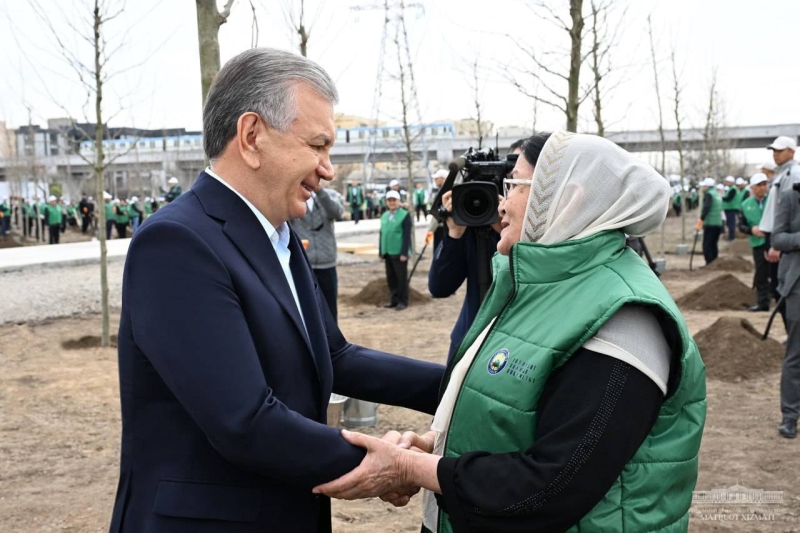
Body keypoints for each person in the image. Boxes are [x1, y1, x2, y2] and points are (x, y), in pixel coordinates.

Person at [109, 47, 445, 533]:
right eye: (317, 145)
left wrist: (461, 386)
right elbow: (244, 421)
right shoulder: (177, 243)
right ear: (251, 137)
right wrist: (390, 461)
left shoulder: (277, 235)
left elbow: (335, 356)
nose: (328, 169)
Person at [315, 131, 706, 533]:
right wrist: (439, 446)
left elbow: (550, 487)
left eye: (512, 185)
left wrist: (413, 468)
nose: (499, 202)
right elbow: (517, 412)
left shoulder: (625, 317)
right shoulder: (536, 286)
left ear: (565, 198)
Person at [428, 139, 526, 362]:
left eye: (519, 181)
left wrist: (504, 229)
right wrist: (454, 231)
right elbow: (439, 287)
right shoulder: (467, 219)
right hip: (468, 341)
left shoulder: (541, 227)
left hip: (513, 349)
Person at [770, 141, 800, 439]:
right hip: (797, 287)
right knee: (796, 353)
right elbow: (778, 239)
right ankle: (790, 415)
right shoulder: (791, 198)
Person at [289, 186, 344, 321]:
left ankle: (332, 341)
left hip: (327, 263)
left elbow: (338, 213)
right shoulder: (293, 198)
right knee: (306, 309)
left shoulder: (327, 196)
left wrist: (319, 192)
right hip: (303, 263)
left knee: (330, 309)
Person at [739, 174, 771, 312]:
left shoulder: (773, 200)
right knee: (761, 273)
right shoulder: (746, 205)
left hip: (774, 242)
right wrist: (751, 230)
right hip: (758, 243)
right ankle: (763, 302)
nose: (762, 188)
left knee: (777, 273)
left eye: (764, 184)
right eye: (759, 185)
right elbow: (741, 225)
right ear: (752, 187)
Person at [379, 190, 412, 310]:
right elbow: (382, 233)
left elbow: (407, 235)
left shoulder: (404, 215)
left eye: (394, 200)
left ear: (399, 201)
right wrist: (380, 251)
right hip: (388, 251)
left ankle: (403, 301)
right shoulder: (384, 215)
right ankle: (394, 299)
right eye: (389, 200)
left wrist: (404, 252)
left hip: (399, 252)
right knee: (391, 278)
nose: (392, 202)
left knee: (401, 278)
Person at [697, 177, 723, 265]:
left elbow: (706, 208)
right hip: (718, 223)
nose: (703, 188)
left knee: (707, 244)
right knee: (713, 244)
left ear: (707, 186)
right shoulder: (716, 194)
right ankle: (714, 261)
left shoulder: (709, 194)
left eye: (704, 186)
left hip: (710, 223)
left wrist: (701, 220)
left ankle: (709, 262)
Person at [721, 175, 739, 241]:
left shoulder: (733, 189)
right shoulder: (730, 189)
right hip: (729, 208)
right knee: (729, 223)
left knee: (731, 223)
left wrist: (722, 197)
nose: (726, 183)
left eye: (727, 182)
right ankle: (731, 236)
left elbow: (729, 198)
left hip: (731, 208)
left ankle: (732, 237)